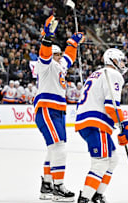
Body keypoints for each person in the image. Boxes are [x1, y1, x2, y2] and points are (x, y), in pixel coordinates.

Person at [34, 15, 84, 201]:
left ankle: (47, 185)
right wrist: (47, 37)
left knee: (53, 149)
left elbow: (69, 58)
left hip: (58, 110)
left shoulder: (60, 64)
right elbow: (45, 53)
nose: (60, 57)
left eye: (60, 54)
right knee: (59, 148)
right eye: (57, 54)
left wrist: (73, 43)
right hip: (47, 108)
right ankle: (58, 186)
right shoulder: (45, 64)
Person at [76, 48, 128, 203]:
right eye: (120, 60)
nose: (123, 64)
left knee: (112, 159)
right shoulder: (113, 74)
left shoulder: (96, 74)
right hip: (96, 122)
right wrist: (125, 124)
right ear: (112, 60)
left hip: (88, 121)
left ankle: (96, 194)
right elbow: (110, 105)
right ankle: (85, 198)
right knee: (100, 162)